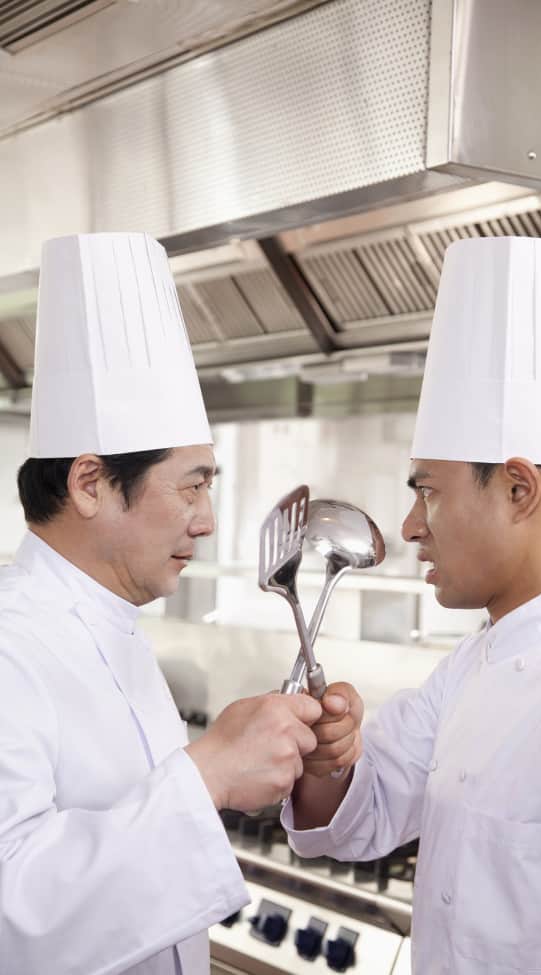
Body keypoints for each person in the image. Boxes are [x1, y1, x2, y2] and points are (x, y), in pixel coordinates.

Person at [284, 236, 541, 974]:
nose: (412, 526)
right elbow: (360, 814)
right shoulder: (470, 667)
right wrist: (328, 754)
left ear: (520, 490)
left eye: (429, 492)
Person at [0, 232, 322, 975]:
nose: (206, 520)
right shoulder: (12, 644)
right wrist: (209, 773)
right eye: (191, 485)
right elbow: (14, 915)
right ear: (89, 483)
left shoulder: (118, 627)